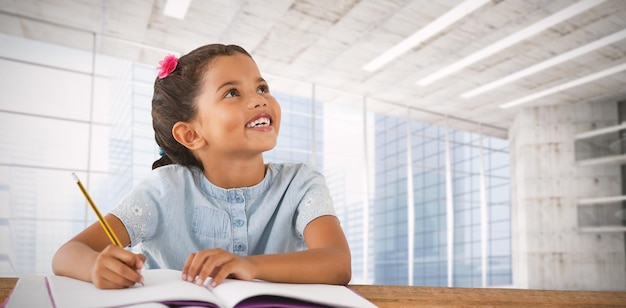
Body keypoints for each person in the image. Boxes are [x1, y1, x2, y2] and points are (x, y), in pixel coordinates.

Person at [52, 44, 351, 289]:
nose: (260, 100)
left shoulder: (300, 182)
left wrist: (248, 266)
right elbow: (66, 255)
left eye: (261, 87)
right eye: (232, 93)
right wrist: (95, 267)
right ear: (191, 134)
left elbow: (338, 264)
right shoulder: (164, 189)